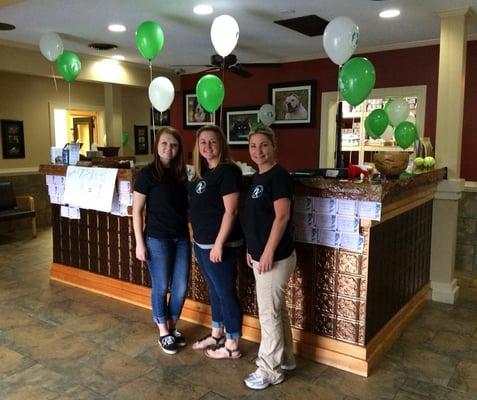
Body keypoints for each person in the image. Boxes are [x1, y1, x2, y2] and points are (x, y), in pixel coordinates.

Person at [243, 127, 296, 390]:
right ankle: (285, 359)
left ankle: (270, 370)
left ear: (274, 146)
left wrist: (267, 252)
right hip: (260, 255)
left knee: (268, 313)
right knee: (277, 310)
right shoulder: (257, 178)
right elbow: (256, 219)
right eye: (253, 146)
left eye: (264, 145)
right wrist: (251, 249)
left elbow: (282, 217)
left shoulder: (279, 177)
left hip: (274, 258)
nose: (258, 151)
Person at [133, 126, 190, 355]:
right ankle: (163, 331)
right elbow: (137, 211)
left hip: (182, 238)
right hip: (156, 239)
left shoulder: (181, 174)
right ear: (157, 146)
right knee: (160, 286)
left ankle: (172, 325)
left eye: (174, 145)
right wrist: (139, 242)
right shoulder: (147, 174)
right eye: (164, 143)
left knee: (181, 286)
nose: (169, 148)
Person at [188, 124, 243, 359]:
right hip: (202, 244)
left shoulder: (228, 171)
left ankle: (232, 344)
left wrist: (219, 243)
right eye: (203, 142)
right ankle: (217, 333)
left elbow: (230, 212)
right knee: (214, 290)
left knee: (226, 292)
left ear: (221, 144)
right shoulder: (203, 173)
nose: (207, 146)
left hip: (221, 246)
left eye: (212, 141)